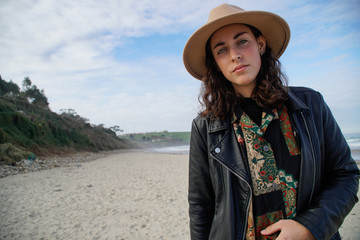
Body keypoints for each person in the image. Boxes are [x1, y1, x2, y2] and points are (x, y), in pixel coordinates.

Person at [183, 3, 359, 240]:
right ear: (216, 63)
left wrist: (310, 226)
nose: (235, 54)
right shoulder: (205, 127)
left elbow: (345, 175)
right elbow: (201, 206)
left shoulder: (310, 105)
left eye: (242, 41)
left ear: (261, 44)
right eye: (221, 50)